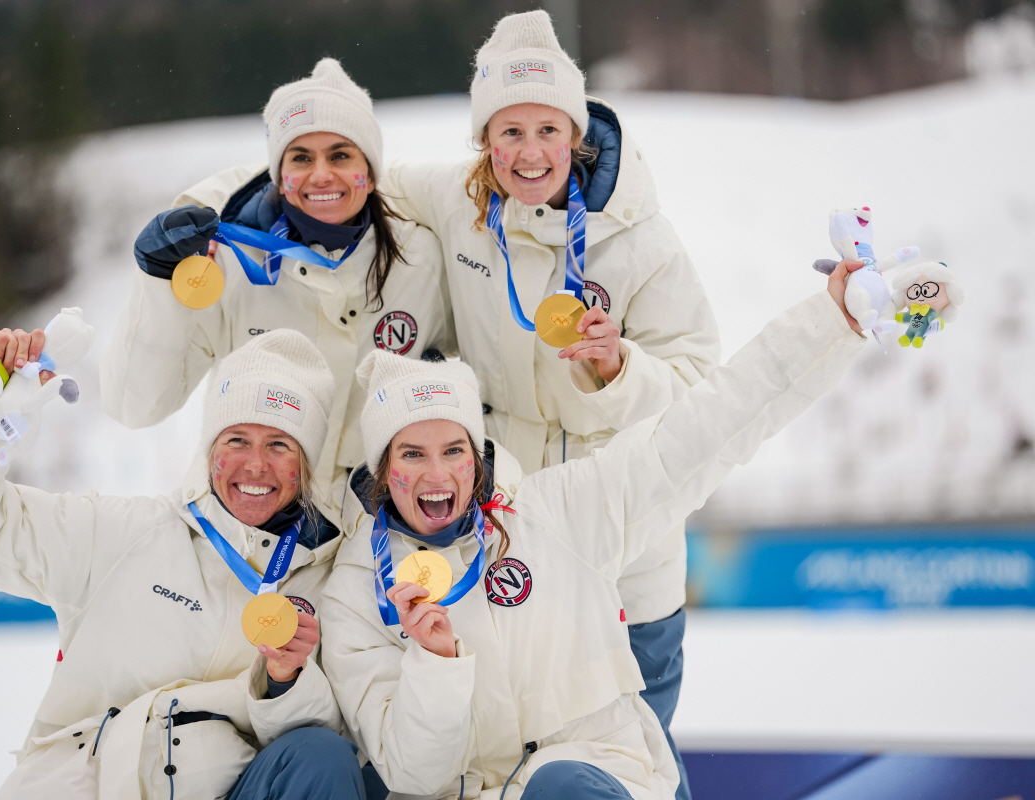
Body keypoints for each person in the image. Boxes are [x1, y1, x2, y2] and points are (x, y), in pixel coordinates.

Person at [320, 263, 869, 800]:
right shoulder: (355, 593)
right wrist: (434, 663)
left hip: (588, 780)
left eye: (454, 450)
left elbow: (707, 426)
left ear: (478, 459)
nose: (436, 474)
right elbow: (415, 777)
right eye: (412, 454)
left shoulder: (558, 514)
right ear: (381, 469)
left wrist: (830, 322)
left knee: (558, 786)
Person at [381, 13, 721, 794]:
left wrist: (620, 368)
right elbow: (347, 182)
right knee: (507, 763)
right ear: (483, 142)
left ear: (576, 133)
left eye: (546, 129)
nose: (528, 153)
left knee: (639, 766)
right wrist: (237, 211)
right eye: (507, 132)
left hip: (625, 555)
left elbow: (702, 389)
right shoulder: (458, 206)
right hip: (507, 550)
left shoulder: (639, 236)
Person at [0, 328, 365, 800]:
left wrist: (286, 682)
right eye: (236, 440)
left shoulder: (330, 582)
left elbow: (337, 748)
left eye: (279, 445)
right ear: (209, 451)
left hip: (232, 786)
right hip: (86, 786)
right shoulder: (125, 533)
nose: (254, 465)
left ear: (306, 464)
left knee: (320, 754)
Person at [102, 58, 454, 517]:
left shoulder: (421, 260)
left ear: (369, 170)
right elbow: (136, 406)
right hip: (244, 528)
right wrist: (158, 281)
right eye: (301, 158)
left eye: (341, 155)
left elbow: (481, 389)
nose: (321, 174)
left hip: (368, 538)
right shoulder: (227, 264)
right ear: (279, 175)